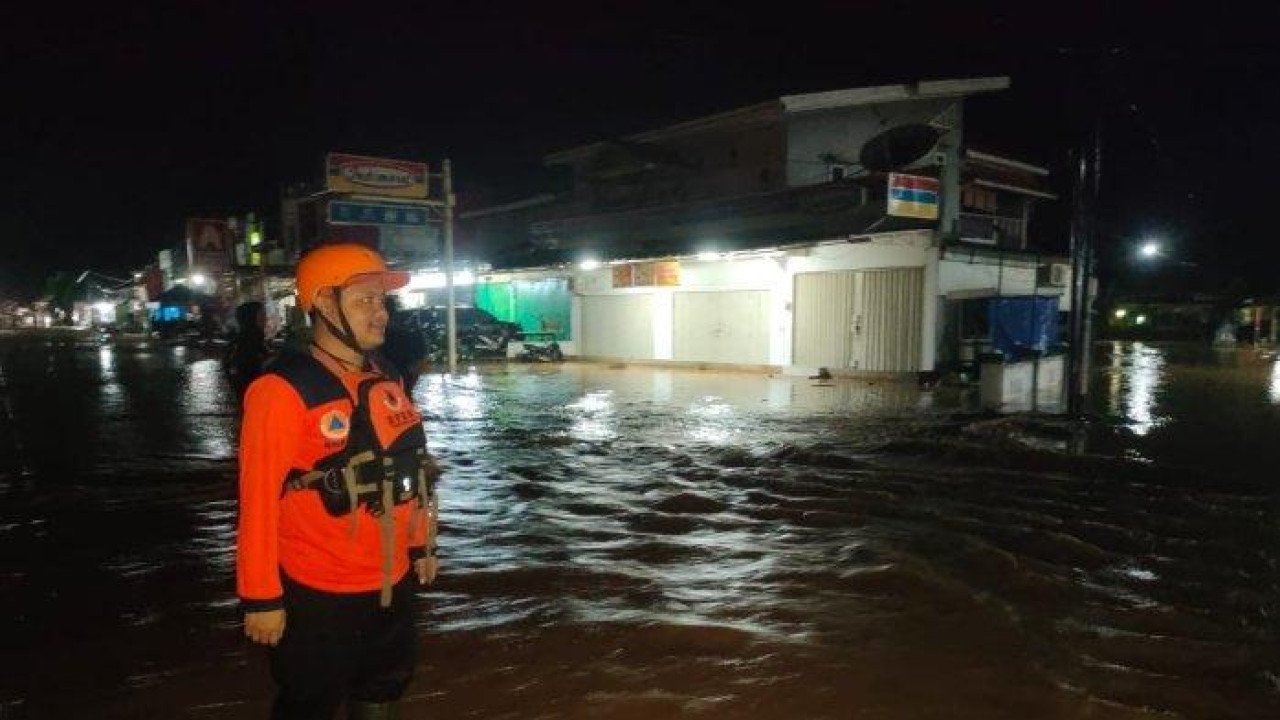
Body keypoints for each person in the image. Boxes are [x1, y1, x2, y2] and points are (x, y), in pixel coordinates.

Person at [237, 244, 441, 720]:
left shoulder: (386, 376)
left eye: (382, 301)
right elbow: (257, 501)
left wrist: (420, 544)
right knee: (310, 702)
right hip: (317, 591)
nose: (381, 314)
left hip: (391, 581)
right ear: (325, 306)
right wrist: (261, 597)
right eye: (364, 300)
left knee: (383, 689)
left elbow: (407, 466)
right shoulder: (282, 389)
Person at [378, 295, 428, 393]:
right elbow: (421, 362)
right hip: (403, 383)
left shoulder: (374, 337)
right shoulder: (409, 333)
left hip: (385, 387)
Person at [225, 301, 271, 400]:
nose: (265, 318)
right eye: (262, 315)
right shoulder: (250, 341)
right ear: (251, 318)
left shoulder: (244, 338)